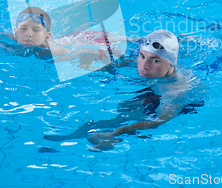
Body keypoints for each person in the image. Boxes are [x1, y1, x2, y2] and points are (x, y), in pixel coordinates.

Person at [44, 29, 203, 151]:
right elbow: (108, 62)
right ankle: (73, 137)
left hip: (183, 105)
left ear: (172, 63)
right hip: (154, 90)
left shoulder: (176, 89)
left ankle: (113, 138)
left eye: (155, 61)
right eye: (142, 56)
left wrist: (116, 132)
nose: (144, 66)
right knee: (124, 111)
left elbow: (159, 121)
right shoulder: (147, 64)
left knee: (130, 117)